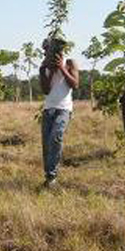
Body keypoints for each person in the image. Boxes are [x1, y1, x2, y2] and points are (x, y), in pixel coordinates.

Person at [38, 38, 79, 187]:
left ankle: (52, 175)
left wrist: (62, 68)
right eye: (45, 51)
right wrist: (47, 71)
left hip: (64, 109)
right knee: (47, 145)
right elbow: (46, 90)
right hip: (48, 109)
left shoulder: (70, 63)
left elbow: (75, 84)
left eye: (49, 50)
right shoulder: (44, 67)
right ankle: (49, 177)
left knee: (56, 137)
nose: (47, 53)